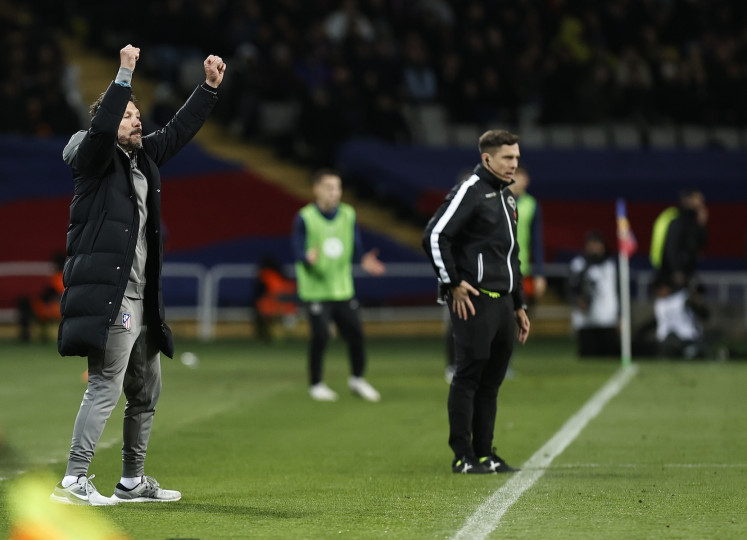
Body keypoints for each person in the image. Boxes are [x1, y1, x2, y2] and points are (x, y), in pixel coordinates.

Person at [51, 45, 226, 506]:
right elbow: (101, 130)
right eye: (127, 114)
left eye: (137, 114)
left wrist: (208, 89)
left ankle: (131, 482)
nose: (137, 120)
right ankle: (73, 480)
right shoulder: (91, 158)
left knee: (146, 391)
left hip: (141, 295)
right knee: (106, 384)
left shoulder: (142, 160)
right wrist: (124, 73)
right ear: (107, 121)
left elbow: (179, 131)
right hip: (111, 295)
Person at [423, 129, 530, 474]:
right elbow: (435, 235)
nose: (514, 164)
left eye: (516, 157)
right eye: (507, 158)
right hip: (475, 301)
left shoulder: (507, 197)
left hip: (502, 305)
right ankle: (463, 456)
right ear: (487, 159)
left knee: (491, 381)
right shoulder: (471, 190)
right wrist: (452, 282)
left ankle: (485, 453)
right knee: (468, 377)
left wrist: (519, 304)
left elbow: (511, 257)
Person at [292, 169, 386, 402]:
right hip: (315, 290)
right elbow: (297, 249)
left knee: (356, 334)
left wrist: (365, 259)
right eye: (329, 187)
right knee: (321, 335)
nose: (335, 193)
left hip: (342, 288)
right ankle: (316, 384)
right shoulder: (305, 217)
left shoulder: (348, 214)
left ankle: (357, 379)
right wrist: (306, 258)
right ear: (317, 189)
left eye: (338, 188)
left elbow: (355, 246)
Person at [649, 189, 709, 357]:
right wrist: (676, 272)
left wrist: (702, 223)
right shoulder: (677, 220)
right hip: (673, 278)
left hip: (685, 277)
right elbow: (672, 248)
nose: (700, 204)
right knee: (671, 314)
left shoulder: (691, 221)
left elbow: (701, 244)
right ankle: (669, 345)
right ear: (687, 200)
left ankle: (686, 345)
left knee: (688, 314)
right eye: (697, 200)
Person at [567, 230, 620, 357]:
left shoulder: (611, 266)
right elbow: (570, 289)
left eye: (598, 245)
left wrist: (620, 316)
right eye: (592, 245)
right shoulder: (578, 265)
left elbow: (619, 292)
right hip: (586, 321)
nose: (595, 249)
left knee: (609, 355)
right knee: (588, 355)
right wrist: (577, 301)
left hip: (608, 320)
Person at [510, 167, 547, 304]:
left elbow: (536, 242)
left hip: (522, 269)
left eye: (521, 177)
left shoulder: (531, 205)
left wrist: (539, 274)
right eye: (515, 176)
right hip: (498, 269)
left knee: (522, 314)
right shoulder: (497, 200)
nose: (518, 181)